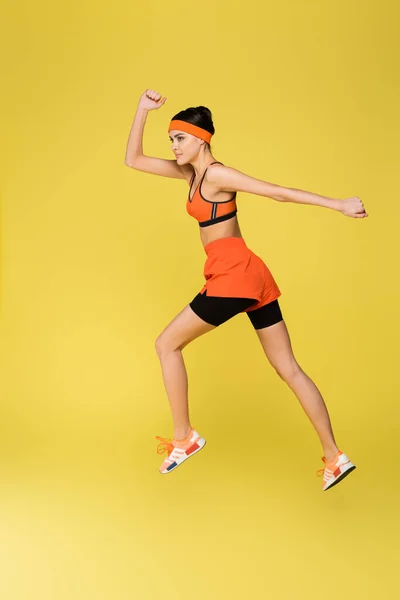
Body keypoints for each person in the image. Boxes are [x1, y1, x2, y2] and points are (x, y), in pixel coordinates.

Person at [125, 89, 367, 490]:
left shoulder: (217, 174)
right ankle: (334, 457)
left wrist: (338, 204)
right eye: (171, 139)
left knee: (166, 345)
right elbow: (132, 159)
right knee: (287, 367)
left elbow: (276, 191)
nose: (173, 146)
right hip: (248, 273)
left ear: (202, 138)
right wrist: (142, 111)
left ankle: (184, 438)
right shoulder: (190, 174)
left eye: (179, 138)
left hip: (233, 275)